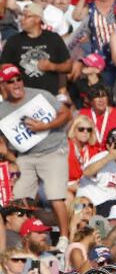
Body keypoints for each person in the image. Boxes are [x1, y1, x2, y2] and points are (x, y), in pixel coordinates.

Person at [0, 64, 71, 244]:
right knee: (17, 199)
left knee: (55, 195)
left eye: (18, 79)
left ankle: (64, 238)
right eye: (10, 81)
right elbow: (4, 140)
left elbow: (66, 113)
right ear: (2, 85)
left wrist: (45, 126)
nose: (16, 84)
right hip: (27, 155)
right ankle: (26, 235)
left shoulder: (39, 95)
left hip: (53, 149)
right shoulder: (1, 110)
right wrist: (8, 156)